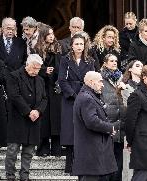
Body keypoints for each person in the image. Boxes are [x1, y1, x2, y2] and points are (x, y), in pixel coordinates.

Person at [4, 54, 47, 181]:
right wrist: (29, 112)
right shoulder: (14, 76)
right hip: (18, 118)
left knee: (28, 152)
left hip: (34, 120)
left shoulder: (40, 80)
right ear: (27, 64)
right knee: (12, 150)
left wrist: (38, 111)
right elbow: (14, 96)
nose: (36, 71)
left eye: (38, 69)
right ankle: (10, 175)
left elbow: (44, 99)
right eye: (34, 68)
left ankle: (24, 176)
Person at [58, 33, 95, 174]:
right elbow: (62, 80)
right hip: (70, 99)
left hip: (85, 97)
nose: (79, 46)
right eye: (77, 44)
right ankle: (69, 166)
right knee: (70, 131)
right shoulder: (65, 60)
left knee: (84, 130)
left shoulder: (90, 61)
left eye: (81, 44)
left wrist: (85, 95)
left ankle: (82, 166)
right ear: (72, 46)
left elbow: (92, 79)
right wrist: (73, 95)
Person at [72, 71, 118, 181]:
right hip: (91, 152)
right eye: (100, 81)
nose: (102, 84)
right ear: (91, 82)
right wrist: (109, 128)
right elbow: (92, 121)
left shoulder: (88, 96)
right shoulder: (87, 98)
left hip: (92, 152)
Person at [33, 24, 62, 157]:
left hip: (55, 88)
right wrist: (44, 70)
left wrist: (55, 72)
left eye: (52, 34)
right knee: (43, 117)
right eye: (49, 34)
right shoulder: (36, 50)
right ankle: (43, 147)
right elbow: (32, 68)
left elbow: (62, 67)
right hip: (42, 88)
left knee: (55, 117)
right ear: (43, 36)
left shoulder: (58, 49)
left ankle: (56, 147)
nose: (52, 36)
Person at [0, 17, 27, 147]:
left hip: (16, 81)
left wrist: (17, 75)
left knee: (15, 111)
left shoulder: (21, 43)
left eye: (13, 28)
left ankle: (16, 139)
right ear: (2, 28)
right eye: (8, 28)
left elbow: (24, 62)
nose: (10, 31)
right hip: (0, 82)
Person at [100, 54, 125, 181]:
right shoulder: (100, 78)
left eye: (116, 60)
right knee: (107, 159)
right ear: (105, 63)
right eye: (111, 61)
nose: (114, 63)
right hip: (107, 122)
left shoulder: (122, 78)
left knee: (119, 160)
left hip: (120, 122)